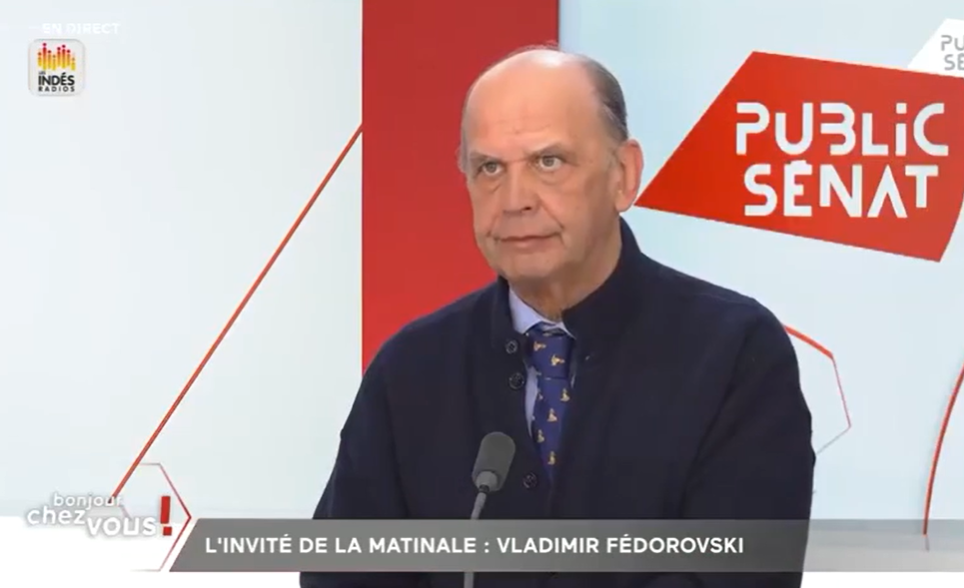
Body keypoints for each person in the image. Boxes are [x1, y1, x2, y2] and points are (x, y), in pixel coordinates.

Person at [302, 47, 814, 588]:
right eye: (489, 168)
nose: (515, 200)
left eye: (548, 162)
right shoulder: (410, 370)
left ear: (623, 175)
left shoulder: (735, 353)